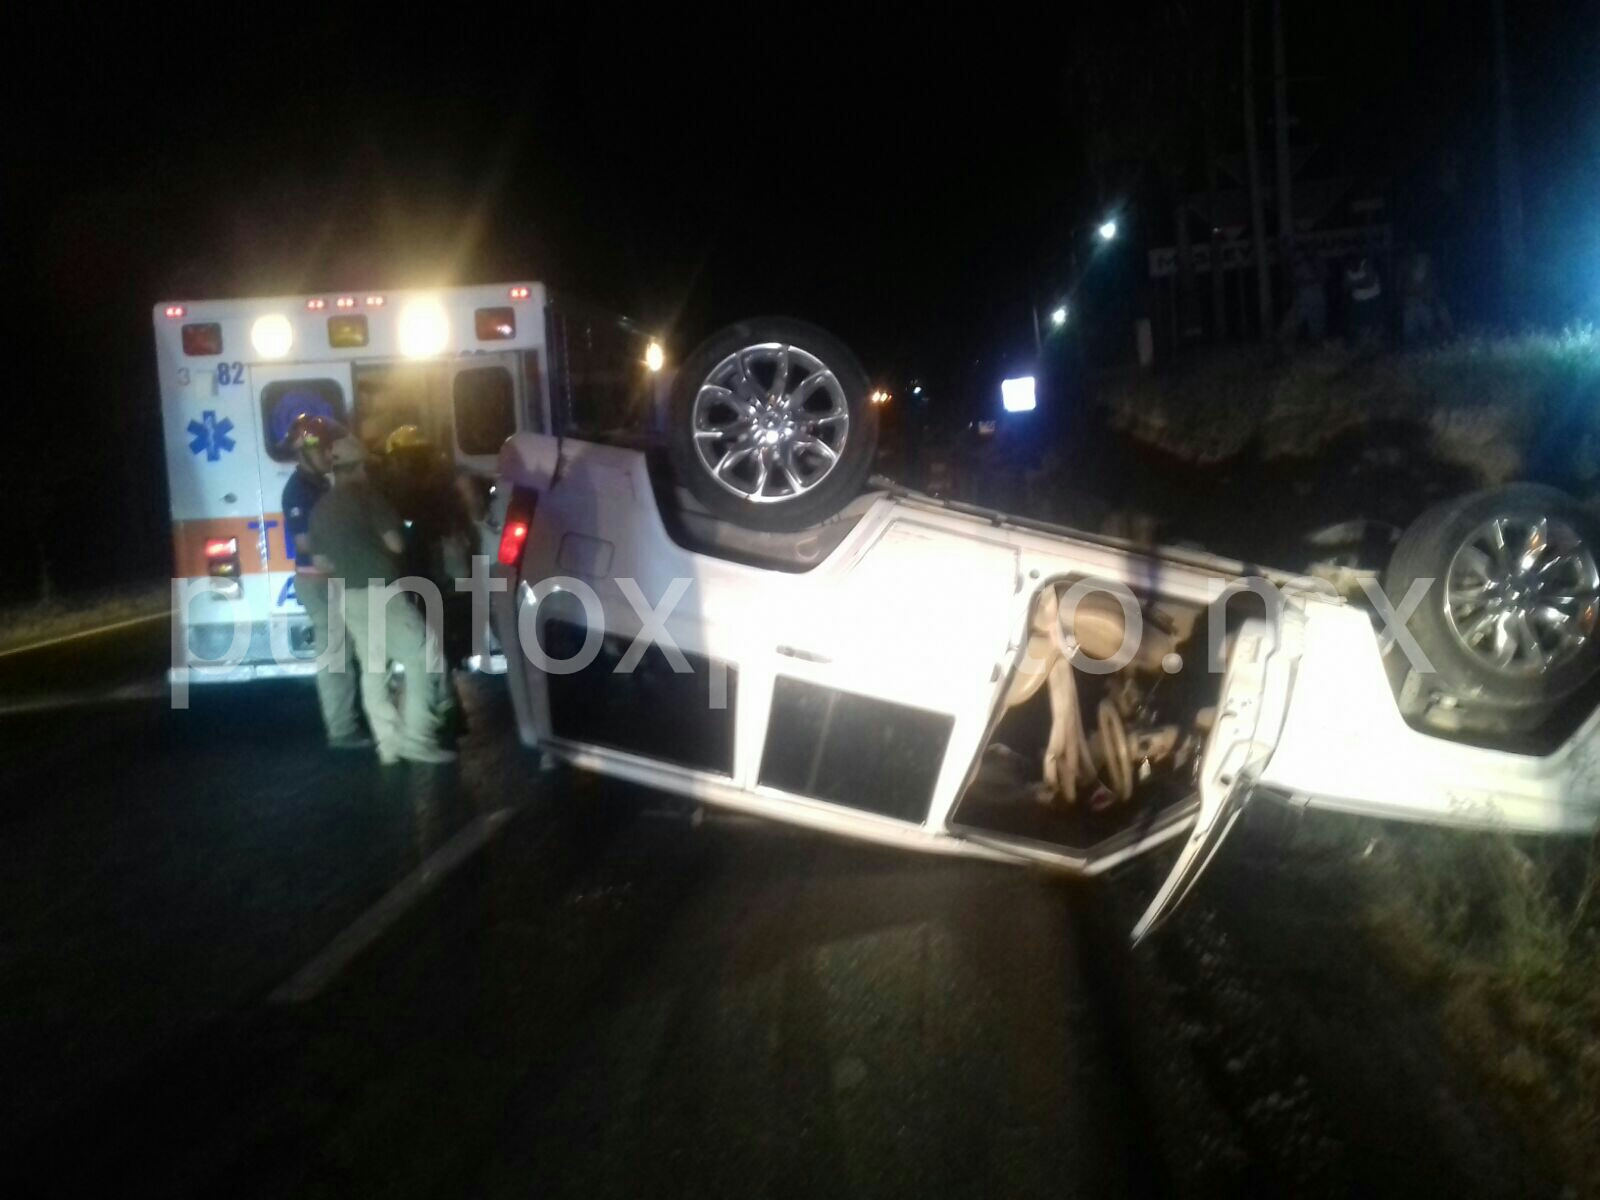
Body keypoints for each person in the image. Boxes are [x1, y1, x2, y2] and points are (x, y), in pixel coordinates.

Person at [309, 436, 456, 765]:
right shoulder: (367, 497)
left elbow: (320, 562)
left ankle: (387, 743)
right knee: (424, 656)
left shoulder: (321, 507)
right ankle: (418, 738)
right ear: (361, 467)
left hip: (350, 597)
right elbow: (396, 544)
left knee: (374, 669)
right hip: (383, 594)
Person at [282, 414, 369, 750]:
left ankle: (349, 721)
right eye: (321, 450)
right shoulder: (298, 490)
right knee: (335, 657)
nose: (328, 456)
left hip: (332, 581)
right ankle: (342, 730)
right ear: (304, 452)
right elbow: (305, 542)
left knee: (344, 652)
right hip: (319, 584)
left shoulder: (319, 484)